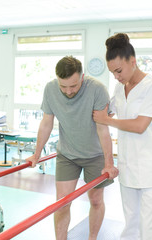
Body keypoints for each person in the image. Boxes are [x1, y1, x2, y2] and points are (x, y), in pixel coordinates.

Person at [26, 56, 119, 240]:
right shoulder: (50, 89)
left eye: (73, 86)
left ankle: (92, 237)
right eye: (63, 86)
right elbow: (46, 123)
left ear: (82, 77)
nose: (68, 91)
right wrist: (36, 154)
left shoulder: (97, 89)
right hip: (67, 154)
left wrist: (109, 163)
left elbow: (103, 128)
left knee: (96, 200)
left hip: (94, 154)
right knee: (62, 203)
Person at [93, 33, 152, 240]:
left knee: (149, 229)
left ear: (133, 61)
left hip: (151, 170)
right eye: (113, 73)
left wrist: (106, 120)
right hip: (127, 168)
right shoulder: (119, 88)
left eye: (119, 70)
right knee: (131, 226)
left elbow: (139, 125)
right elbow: (104, 113)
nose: (116, 76)